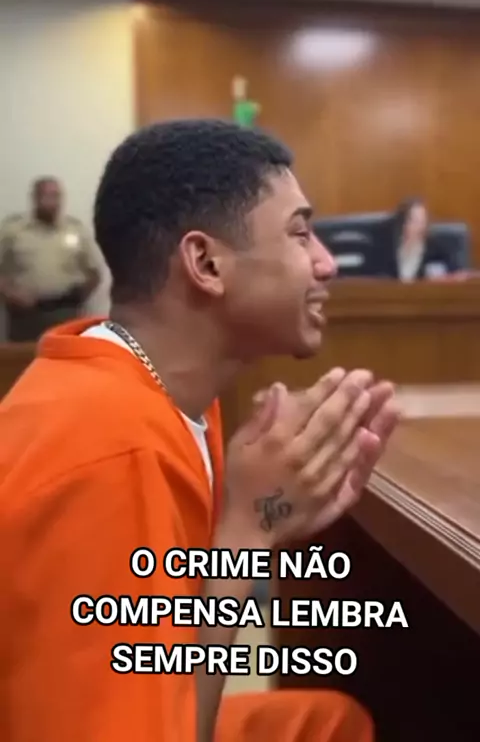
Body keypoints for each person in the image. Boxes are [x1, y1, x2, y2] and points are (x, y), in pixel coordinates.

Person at [0, 120, 401, 742]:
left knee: (328, 721)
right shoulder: (112, 451)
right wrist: (248, 530)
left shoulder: (159, 388)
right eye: (300, 233)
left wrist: (266, 516)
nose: (326, 263)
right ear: (207, 263)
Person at [0, 176, 101, 341]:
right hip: (26, 316)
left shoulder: (75, 230)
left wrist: (78, 297)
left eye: (56, 196)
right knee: (26, 357)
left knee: (66, 356)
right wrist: (10, 294)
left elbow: (94, 273)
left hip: (65, 313)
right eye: (46, 195)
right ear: (34, 198)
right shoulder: (13, 230)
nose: (52, 202)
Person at [382, 197, 458, 281]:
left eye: (423, 222)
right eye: (415, 221)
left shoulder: (435, 249)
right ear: (402, 223)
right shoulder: (386, 247)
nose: (420, 227)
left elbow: (456, 274)